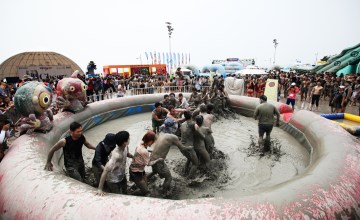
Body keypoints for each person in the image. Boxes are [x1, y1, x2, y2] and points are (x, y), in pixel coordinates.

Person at [149, 132, 193, 196]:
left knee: (154, 172)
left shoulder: (161, 134)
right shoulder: (173, 137)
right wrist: (190, 147)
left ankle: (145, 181)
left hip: (152, 159)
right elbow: (182, 148)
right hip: (158, 161)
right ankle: (164, 193)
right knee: (168, 178)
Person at [96, 131, 133, 196]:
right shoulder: (116, 155)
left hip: (121, 175)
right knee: (118, 195)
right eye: (129, 138)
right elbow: (105, 170)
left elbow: (127, 154)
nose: (130, 139)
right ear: (125, 142)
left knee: (125, 190)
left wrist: (133, 157)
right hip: (113, 180)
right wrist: (100, 189)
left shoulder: (125, 147)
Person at [129, 131, 163, 196]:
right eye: (153, 142)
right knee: (147, 192)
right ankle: (131, 195)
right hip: (135, 172)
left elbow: (142, 151)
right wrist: (158, 160)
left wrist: (150, 151)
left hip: (136, 168)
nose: (153, 143)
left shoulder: (140, 143)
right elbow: (148, 164)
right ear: (150, 141)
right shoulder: (144, 151)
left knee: (146, 183)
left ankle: (139, 187)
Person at [180, 111, 201, 178]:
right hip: (189, 147)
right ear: (191, 116)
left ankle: (184, 172)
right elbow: (199, 132)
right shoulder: (193, 124)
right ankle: (188, 179)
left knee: (189, 159)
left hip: (181, 146)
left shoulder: (182, 124)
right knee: (195, 163)